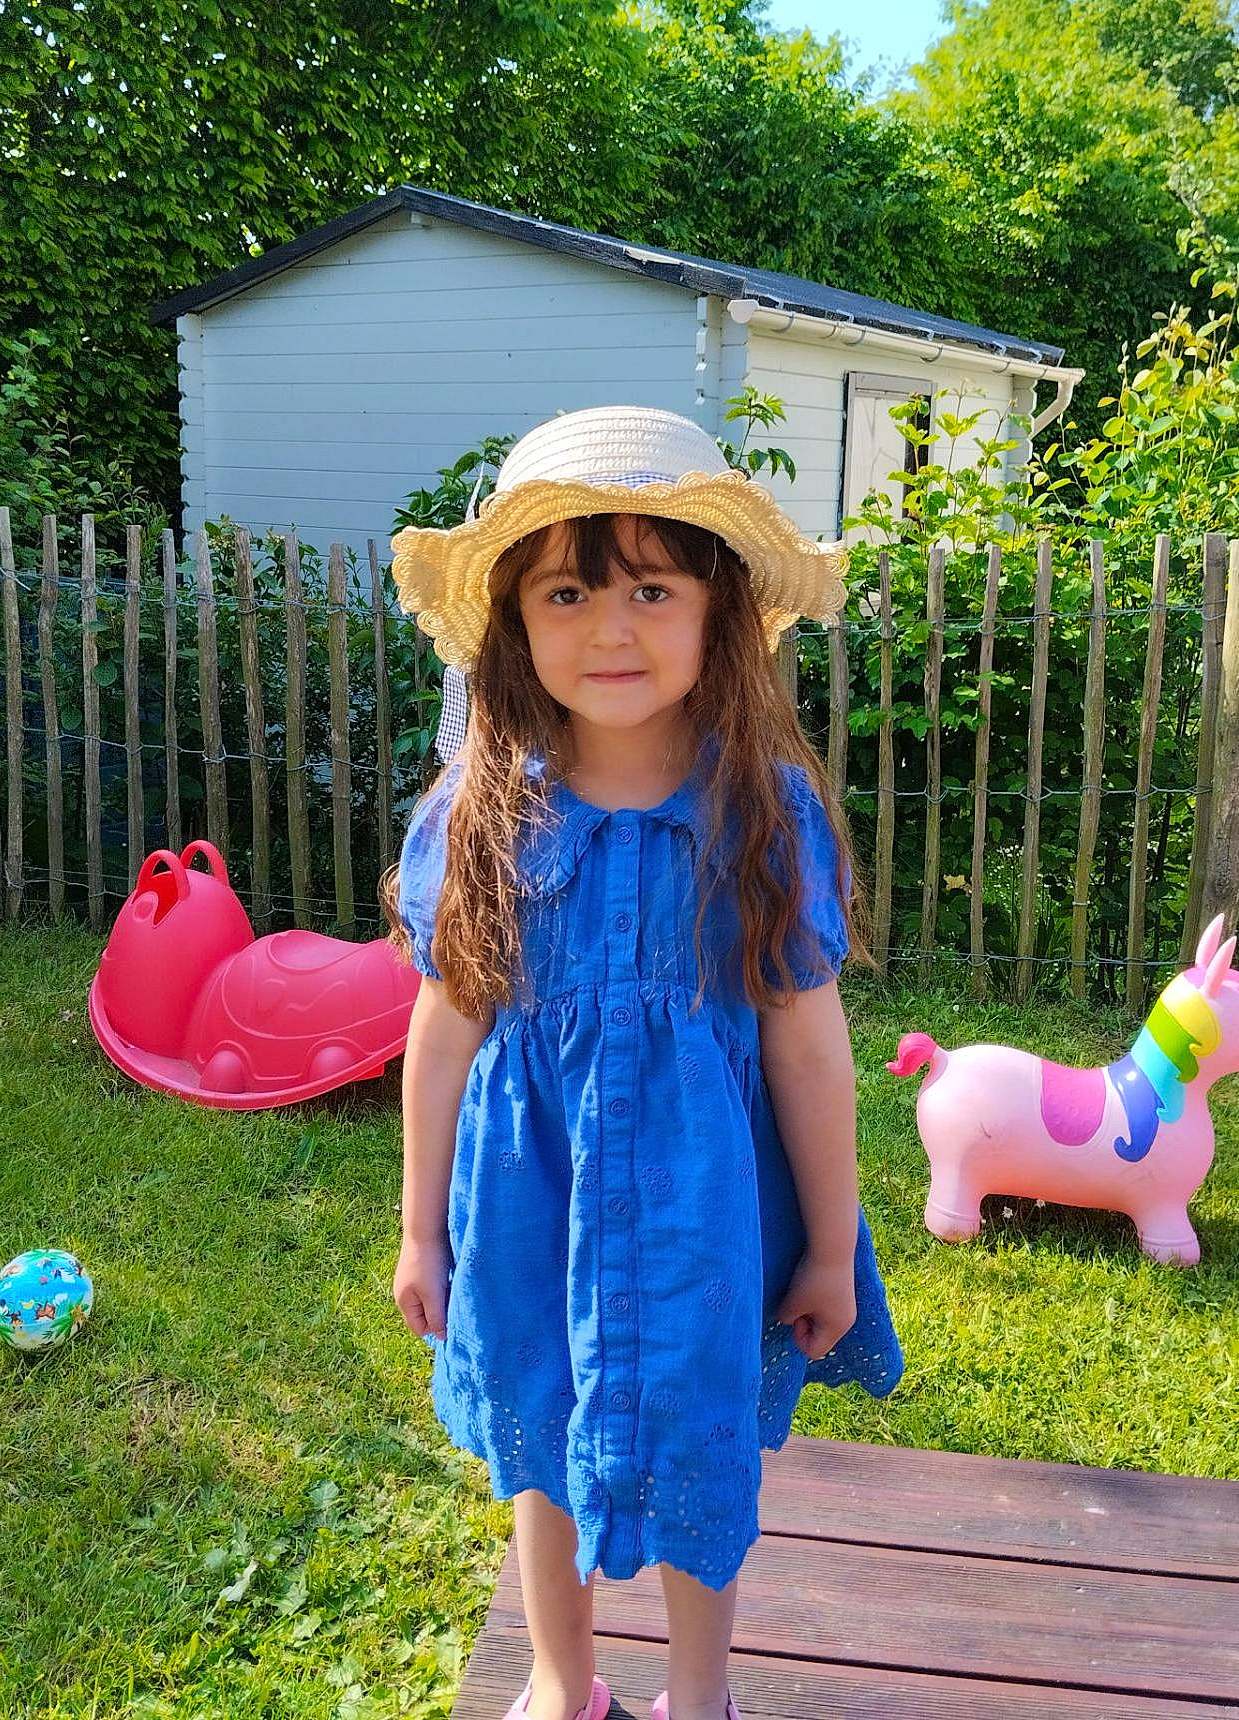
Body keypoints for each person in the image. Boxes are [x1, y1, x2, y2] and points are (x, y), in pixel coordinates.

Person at [383, 406, 903, 1720]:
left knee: (702, 1433)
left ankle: (703, 1690)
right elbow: (441, 1031)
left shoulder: (763, 807)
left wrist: (832, 1246)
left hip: (706, 1215)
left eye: (651, 588)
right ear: (514, 618)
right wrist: (418, 1232)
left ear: (716, 610)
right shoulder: (475, 807)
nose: (612, 628)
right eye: (570, 590)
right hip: (521, 1211)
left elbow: (807, 1042)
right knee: (539, 1439)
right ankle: (564, 1682)